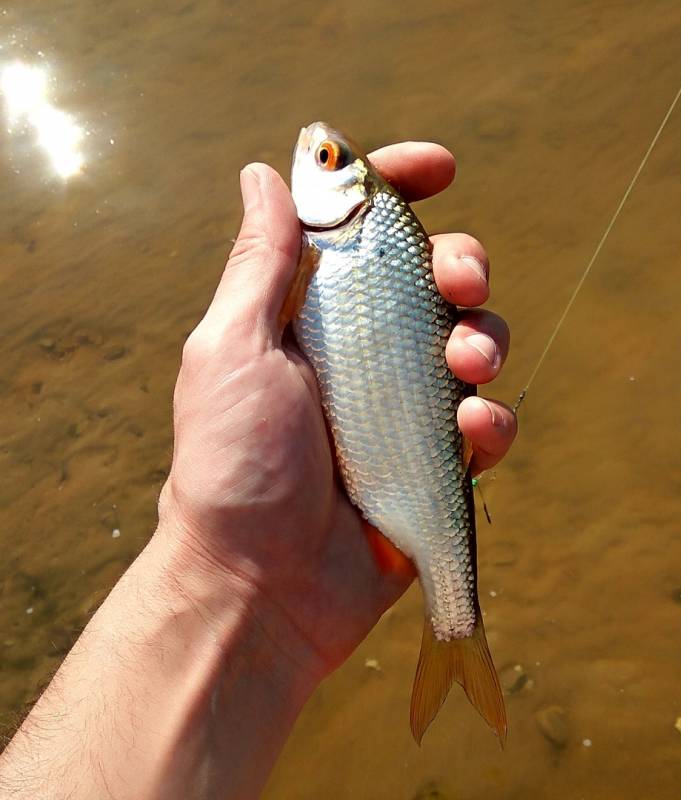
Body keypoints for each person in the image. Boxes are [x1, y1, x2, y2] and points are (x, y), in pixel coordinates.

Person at [0, 142, 516, 799]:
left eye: (327, 156)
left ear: (354, 194)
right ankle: (456, 629)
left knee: (465, 377)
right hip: (372, 488)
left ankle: (456, 625)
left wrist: (226, 581)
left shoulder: (357, 237)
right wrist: (223, 564)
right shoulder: (341, 241)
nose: (311, 152)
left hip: (383, 487)